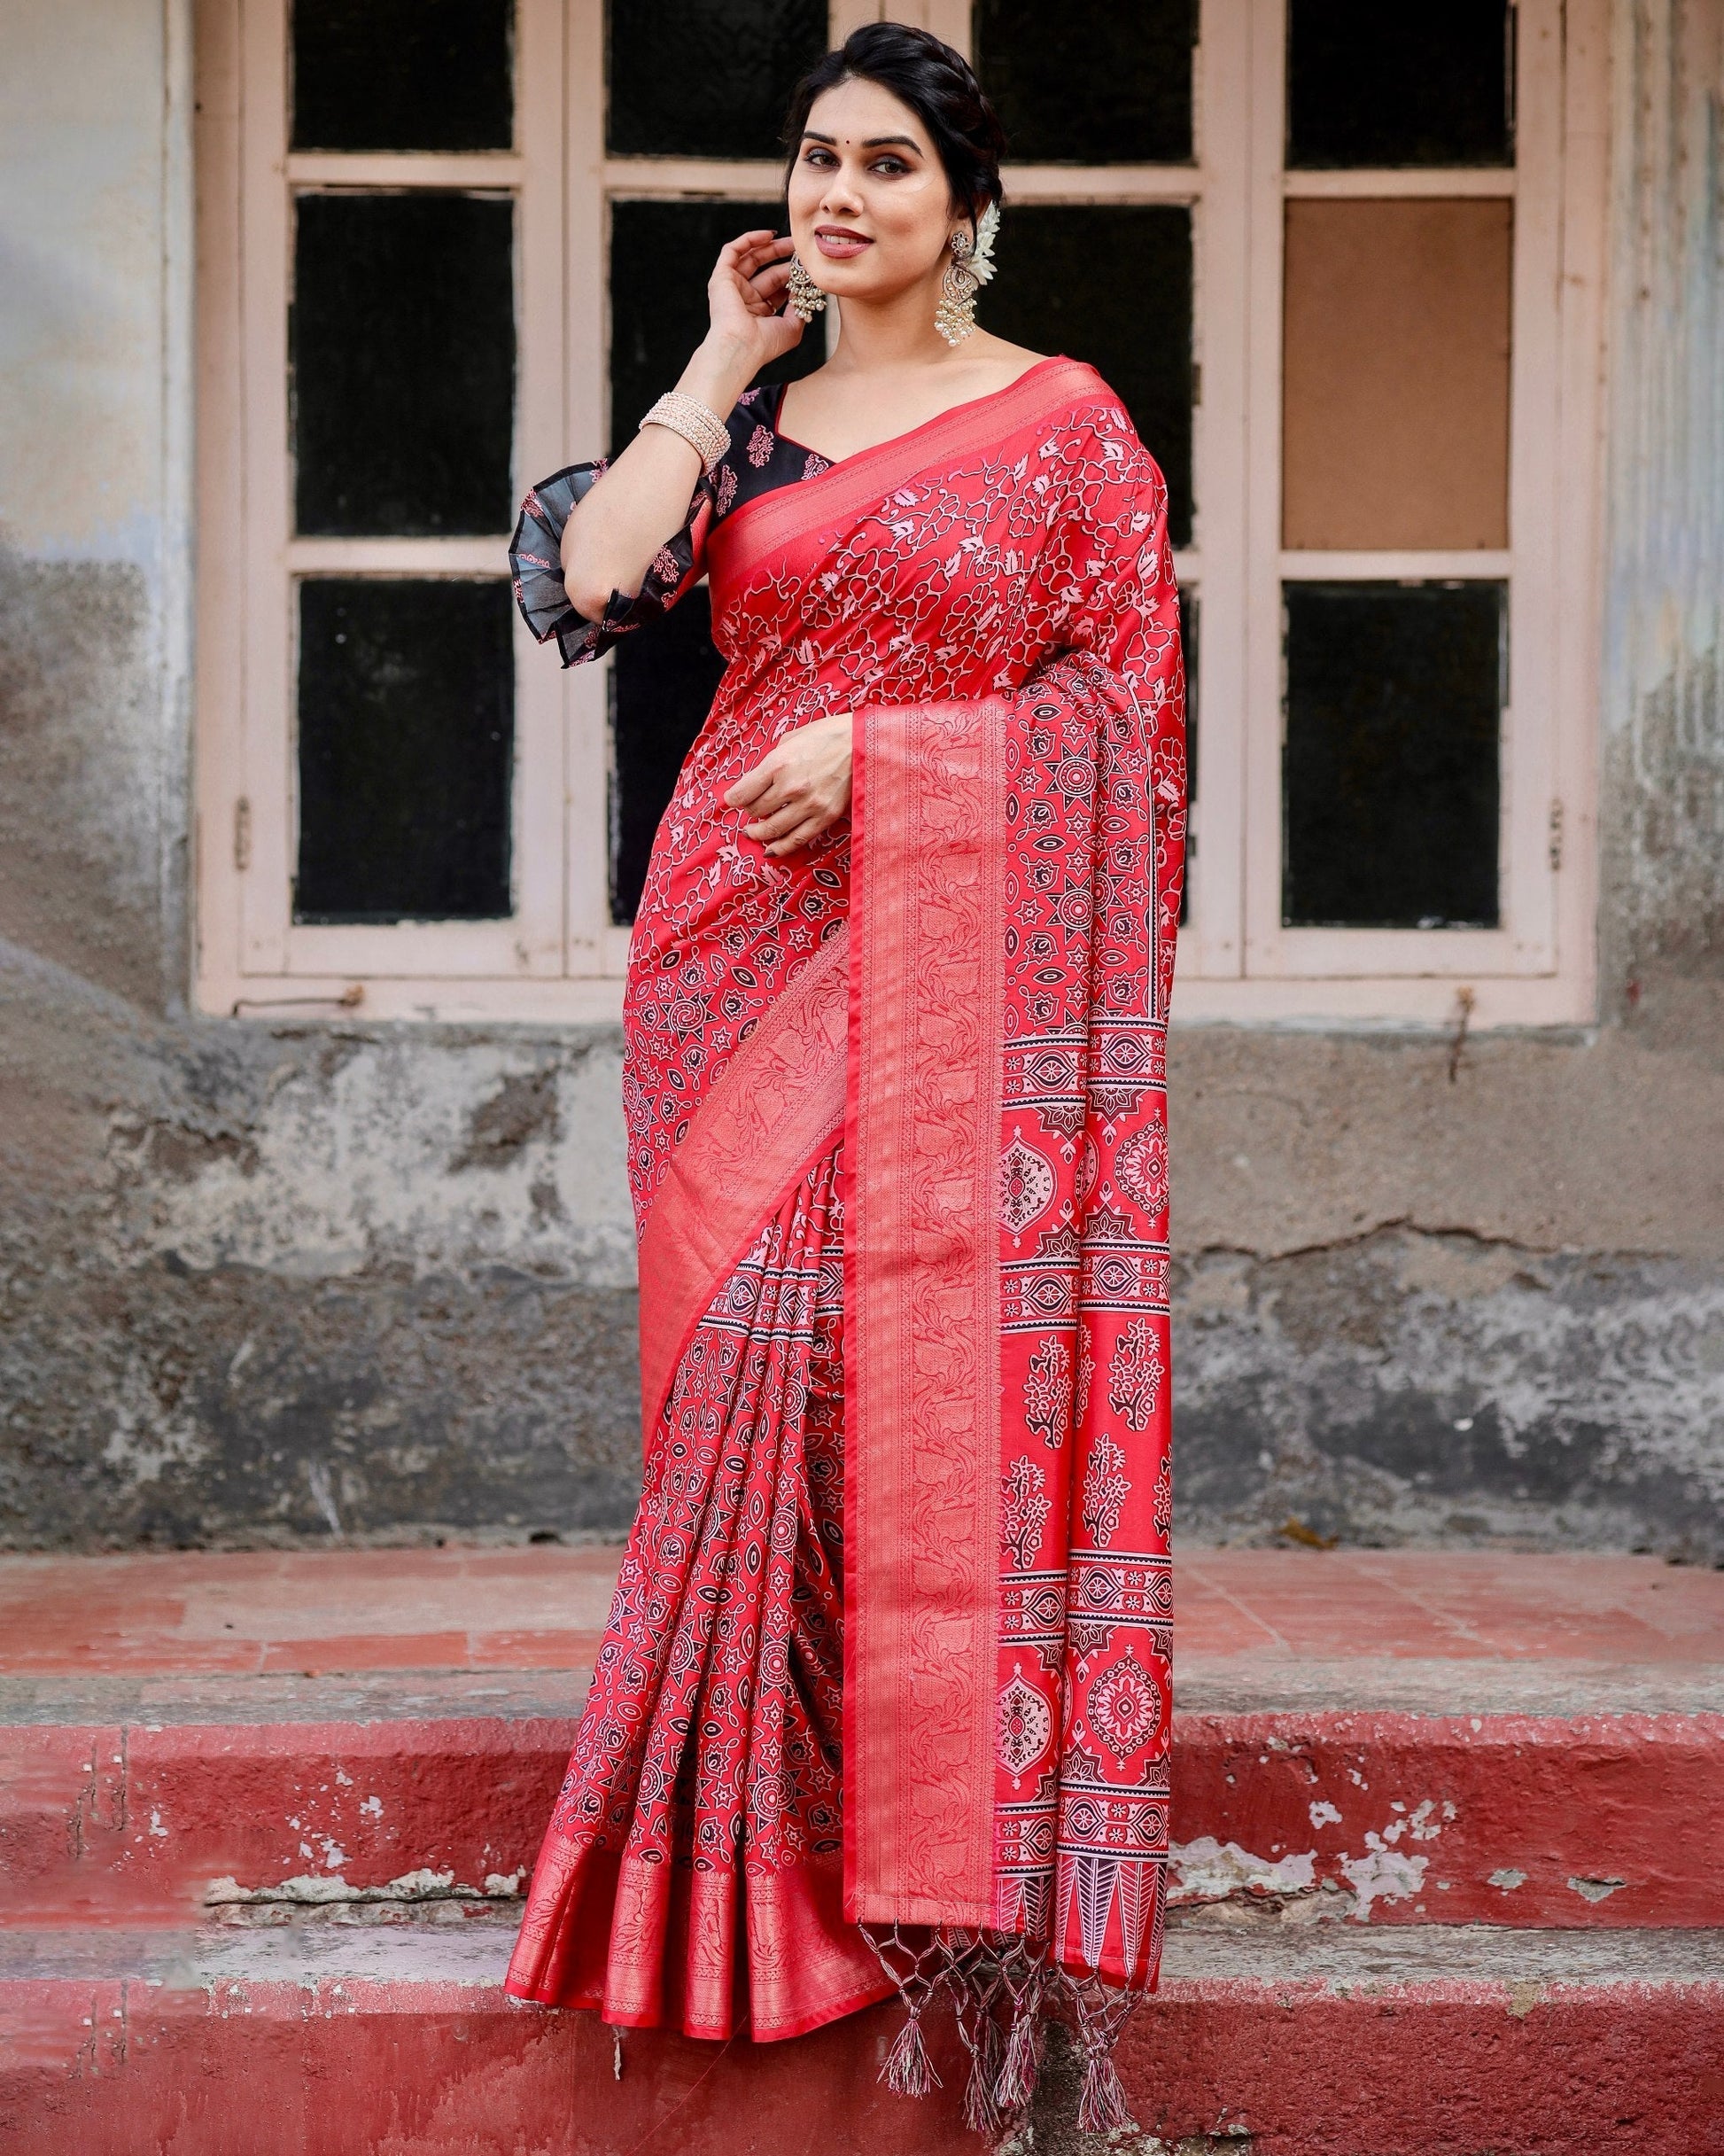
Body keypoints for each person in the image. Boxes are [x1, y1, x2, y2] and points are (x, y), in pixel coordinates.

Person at [505, 22, 1184, 2136]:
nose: (839, 195)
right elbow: (602, 584)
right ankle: (743, 1878)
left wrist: (898, 761)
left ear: (963, 208)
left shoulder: (1062, 428)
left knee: (864, 1383)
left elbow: (1126, 733)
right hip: (731, 956)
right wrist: (712, 369)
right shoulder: (763, 431)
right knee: (734, 1386)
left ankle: (911, 1853)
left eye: (887, 165)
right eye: (816, 160)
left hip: (942, 953)